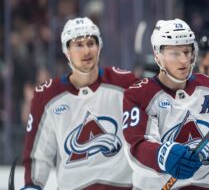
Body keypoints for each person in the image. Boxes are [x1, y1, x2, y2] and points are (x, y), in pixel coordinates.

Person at [122, 19, 209, 189]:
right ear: (157, 55)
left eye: (187, 51)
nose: (184, 60)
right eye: (175, 53)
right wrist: (163, 156)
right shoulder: (139, 94)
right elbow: (137, 148)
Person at [22, 17, 138, 189]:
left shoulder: (125, 84)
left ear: (99, 47)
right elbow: (39, 156)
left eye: (91, 43)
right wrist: (32, 185)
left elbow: (148, 131)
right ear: (66, 50)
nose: (86, 51)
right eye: (78, 45)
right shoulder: (47, 97)